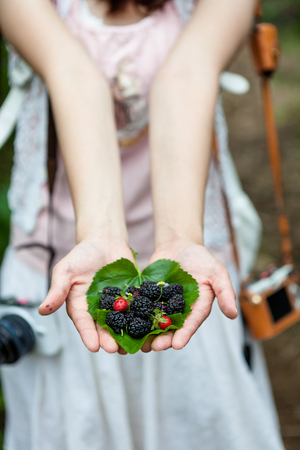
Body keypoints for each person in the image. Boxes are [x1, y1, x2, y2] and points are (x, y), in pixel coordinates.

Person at [0, 0, 285, 449]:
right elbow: (74, 76)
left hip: (183, 262)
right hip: (59, 264)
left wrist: (180, 237)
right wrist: (98, 235)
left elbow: (186, 76)